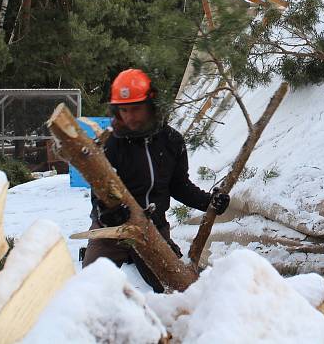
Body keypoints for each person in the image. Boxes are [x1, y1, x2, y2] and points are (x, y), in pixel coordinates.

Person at [82, 68, 230, 292]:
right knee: (89, 290)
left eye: (135, 109)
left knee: (177, 290)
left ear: (151, 105)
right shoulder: (110, 144)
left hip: (153, 228)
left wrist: (209, 202)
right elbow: (99, 192)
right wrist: (109, 211)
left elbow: (179, 185)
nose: (129, 116)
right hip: (110, 230)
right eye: (123, 110)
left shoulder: (171, 141)